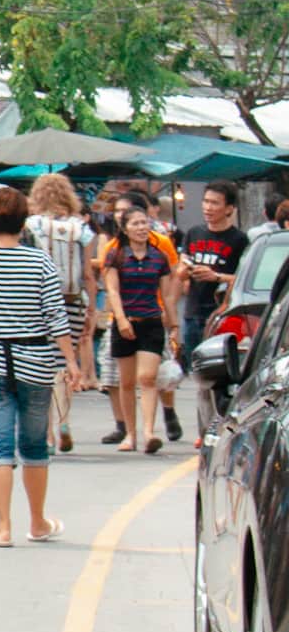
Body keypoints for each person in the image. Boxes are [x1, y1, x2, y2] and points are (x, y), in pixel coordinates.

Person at [0, 187, 82, 547]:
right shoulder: (40, 263)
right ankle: (37, 521)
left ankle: (3, 527)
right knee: (34, 444)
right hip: (35, 361)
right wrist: (71, 361)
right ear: (24, 223)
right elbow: (56, 317)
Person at [23, 173, 96, 454]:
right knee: (66, 362)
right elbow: (88, 274)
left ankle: (48, 434)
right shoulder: (81, 228)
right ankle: (64, 421)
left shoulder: (32, 225)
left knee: (44, 365)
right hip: (73, 301)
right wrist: (91, 309)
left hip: (40, 302)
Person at [103, 209, 177, 454]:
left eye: (144, 223)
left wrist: (174, 325)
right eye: (135, 223)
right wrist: (121, 319)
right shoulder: (116, 255)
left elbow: (167, 295)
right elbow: (112, 291)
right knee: (126, 382)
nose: (141, 228)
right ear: (125, 229)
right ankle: (130, 434)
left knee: (147, 378)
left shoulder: (159, 257)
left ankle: (148, 432)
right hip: (125, 322)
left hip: (151, 322)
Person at [176, 182, 248, 357]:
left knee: (219, 363)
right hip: (192, 312)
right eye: (206, 201)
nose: (208, 207)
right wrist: (187, 268)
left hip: (221, 313)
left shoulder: (239, 239)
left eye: (215, 203)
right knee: (193, 364)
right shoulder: (193, 233)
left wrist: (216, 276)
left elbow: (243, 279)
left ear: (229, 208)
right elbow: (180, 274)